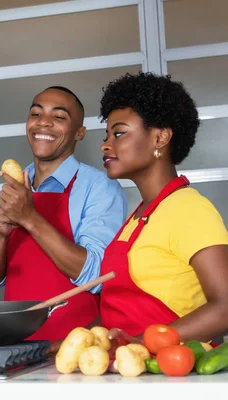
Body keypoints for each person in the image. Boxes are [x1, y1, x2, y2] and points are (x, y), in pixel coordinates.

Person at [0, 86, 128, 342]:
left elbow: (97, 276)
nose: (44, 122)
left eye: (59, 117)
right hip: (17, 346)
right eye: (36, 113)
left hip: (78, 349)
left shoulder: (99, 187)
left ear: (80, 132)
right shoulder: (13, 190)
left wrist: (29, 218)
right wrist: (0, 236)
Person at [98, 71, 228, 343]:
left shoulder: (189, 210)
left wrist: (145, 342)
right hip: (129, 373)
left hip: (175, 376)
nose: (106, 145)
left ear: (160, 138)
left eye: (119, 133)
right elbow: (119, 311)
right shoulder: (138, 217)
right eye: (107, 134)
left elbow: (225, 308)